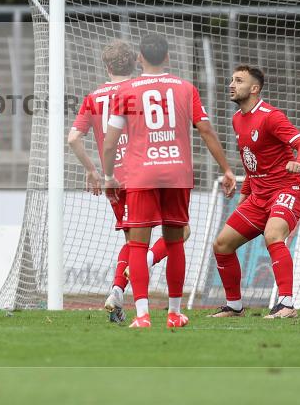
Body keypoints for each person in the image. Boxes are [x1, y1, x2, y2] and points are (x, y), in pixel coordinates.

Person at [101, 33, 236, 328]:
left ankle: (143, 315)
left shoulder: (125, 90)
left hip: (141, 174)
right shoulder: (185, 88)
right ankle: (174, 313)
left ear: (139, 58)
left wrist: (109, 175)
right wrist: (226, 168)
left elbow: (110, 143)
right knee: (175, 243)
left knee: (138, 246)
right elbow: (206, 130)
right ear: (167, 57)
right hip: (176, 172)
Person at [68, 40, 186, 324]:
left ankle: (119, 290)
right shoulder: (142, 90)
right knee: (180, 233)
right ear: (136, 62)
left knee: (134, 240)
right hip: (146, 170)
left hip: (115, 179)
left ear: (106, 66)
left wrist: (93, 172)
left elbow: (73, 138)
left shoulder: (93, 97)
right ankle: (125, 284)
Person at [209, 66, 300, 320]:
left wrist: (299, 161)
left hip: (288, 189)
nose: (232, 84)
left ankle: (286, 304)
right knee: (222, 245)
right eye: (232, 80)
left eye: (239, 81)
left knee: (273, 235)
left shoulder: (271, 116)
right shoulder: (237, 119)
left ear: (254, 89)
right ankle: (234, 306)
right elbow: (251, 161)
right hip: (258, 195)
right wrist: (245, 193)